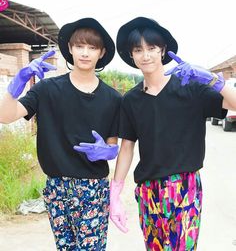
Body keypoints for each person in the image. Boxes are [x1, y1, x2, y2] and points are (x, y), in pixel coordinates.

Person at [109, 17, 236, 250]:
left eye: (152, 48)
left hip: (185, 187)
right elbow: (127, 146)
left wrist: (214, 81)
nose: (145, 55)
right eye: (138, 50)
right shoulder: (131, 100)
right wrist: (115, 193)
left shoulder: (190, 87)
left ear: (163, 50)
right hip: (149, 191)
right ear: (132, 55)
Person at [0, 17, 122, 250]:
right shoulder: (46, 89)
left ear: (101, 52)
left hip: (93, 188)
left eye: (92, 47)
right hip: (56, 187)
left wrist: (108, 151)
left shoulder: (113, 99)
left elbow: (113, 144)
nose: (85, 53)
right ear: (70, 49)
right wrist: (16, 86)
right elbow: (5, 116)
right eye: (79, 46)